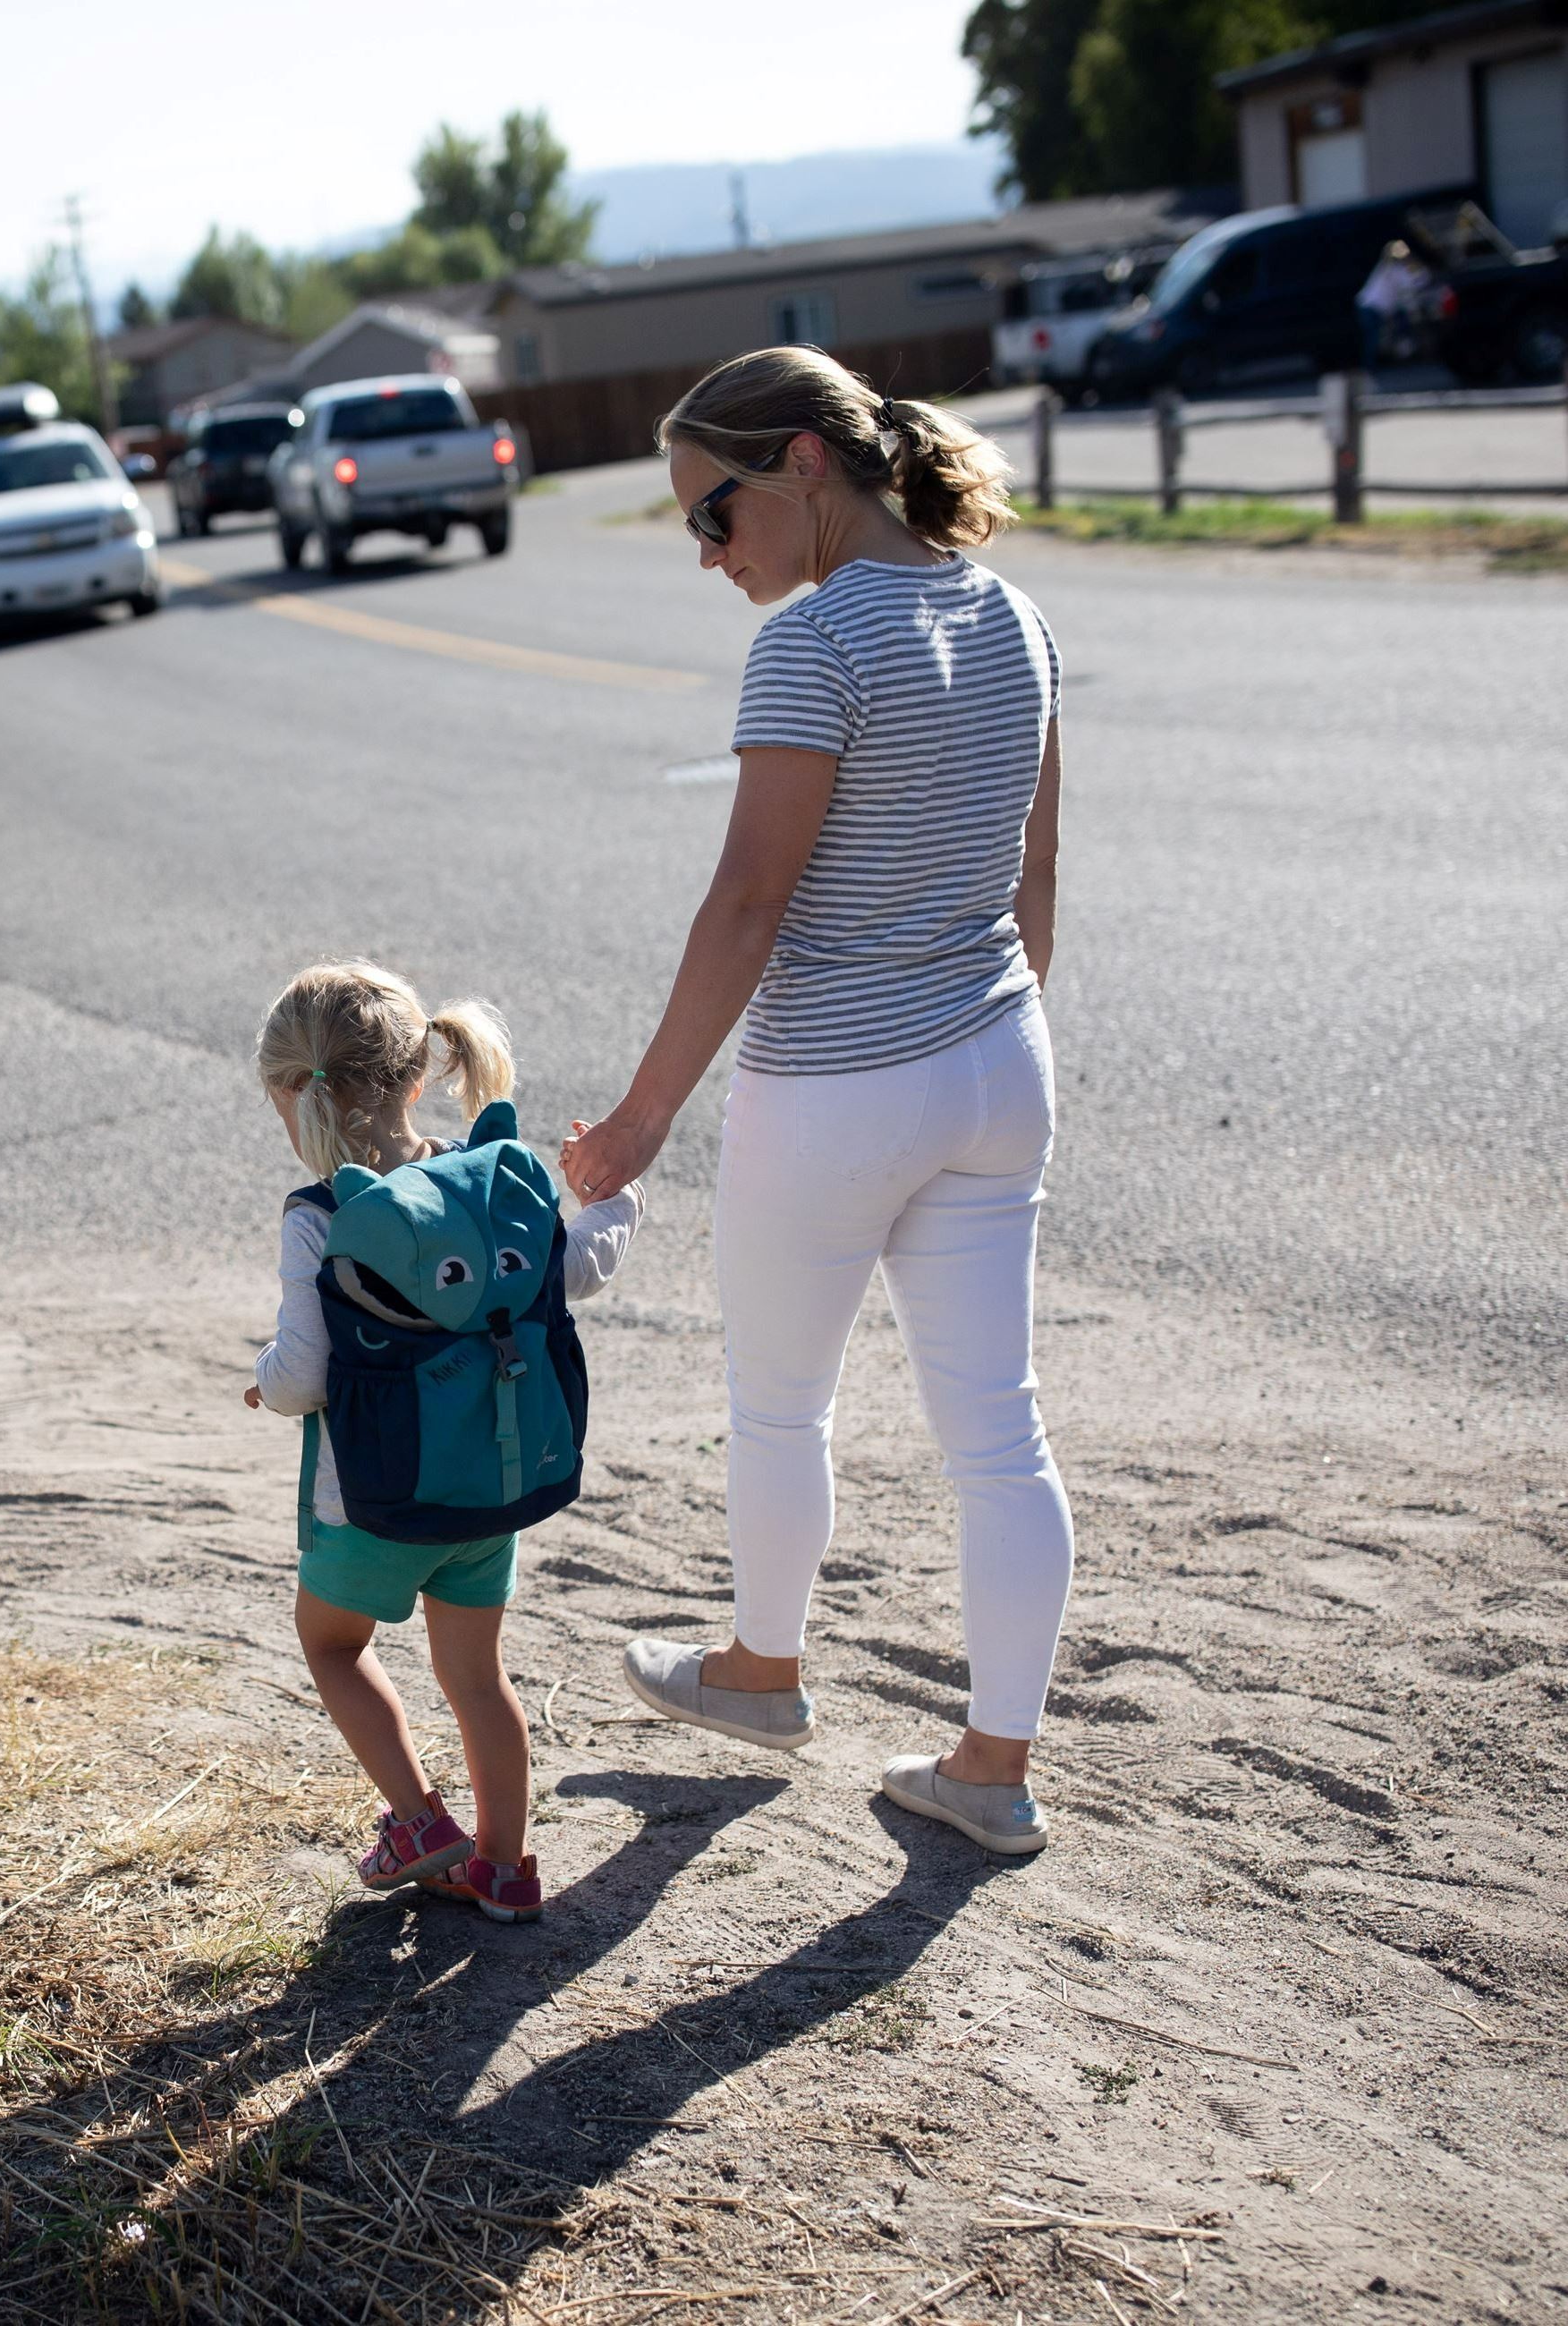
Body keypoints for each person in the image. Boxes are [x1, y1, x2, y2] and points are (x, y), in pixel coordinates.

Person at [563, 348, 1073, 1857]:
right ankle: (991, 1768)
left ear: (798, 463)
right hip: (998, 1061)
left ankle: (762, 1672)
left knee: (778, 1400)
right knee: (1000, 1433)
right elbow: (1035, 876)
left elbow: (746, 906)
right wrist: (994, 1029)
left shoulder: (815, 646)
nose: (710, 558)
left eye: (712, 517)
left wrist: (644, 1120)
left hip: (839, 1087)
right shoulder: (1015, 612)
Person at [249, 960, 643, 1921]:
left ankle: (420, 1819)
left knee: (334, 1643)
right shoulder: (486, 1179)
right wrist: (615, 1202)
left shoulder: (321, 1217)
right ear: (417, 1075)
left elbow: (301, 1375)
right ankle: (505, 1869)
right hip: (488, 1483)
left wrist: (263, 1386)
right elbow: (575, 1268)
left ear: (290, 1100)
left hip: (373, 1500)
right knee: (477, 1677)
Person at [1356, 240, 1428, 375]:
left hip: (1375, 307)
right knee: (1373, 338)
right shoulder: (1392, 270)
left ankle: (1375, 366)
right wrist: (1415, 264)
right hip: (1372, 307)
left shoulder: (1388, 268)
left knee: (1379, 336)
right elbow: (1418, 281)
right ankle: (1370, 370)